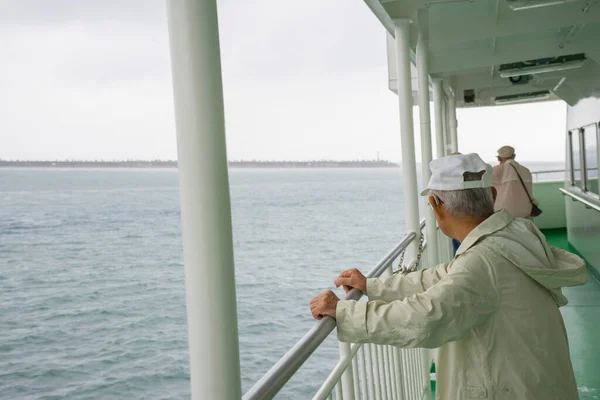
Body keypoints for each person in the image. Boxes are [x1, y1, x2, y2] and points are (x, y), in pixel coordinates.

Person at [310, 153, 586, 400]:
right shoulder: (514, 234)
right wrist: (372, 286)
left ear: (436, 204)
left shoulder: (484, 260)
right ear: (492, 192)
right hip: (538, 380)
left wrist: (345, 313)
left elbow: (428, 317)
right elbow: (442, 277)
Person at [493, 145, 538, 218]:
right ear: (514, 156)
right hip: (525, 211)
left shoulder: (497, 170)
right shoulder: (526, 170)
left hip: (504, 212)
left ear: (499, 158)